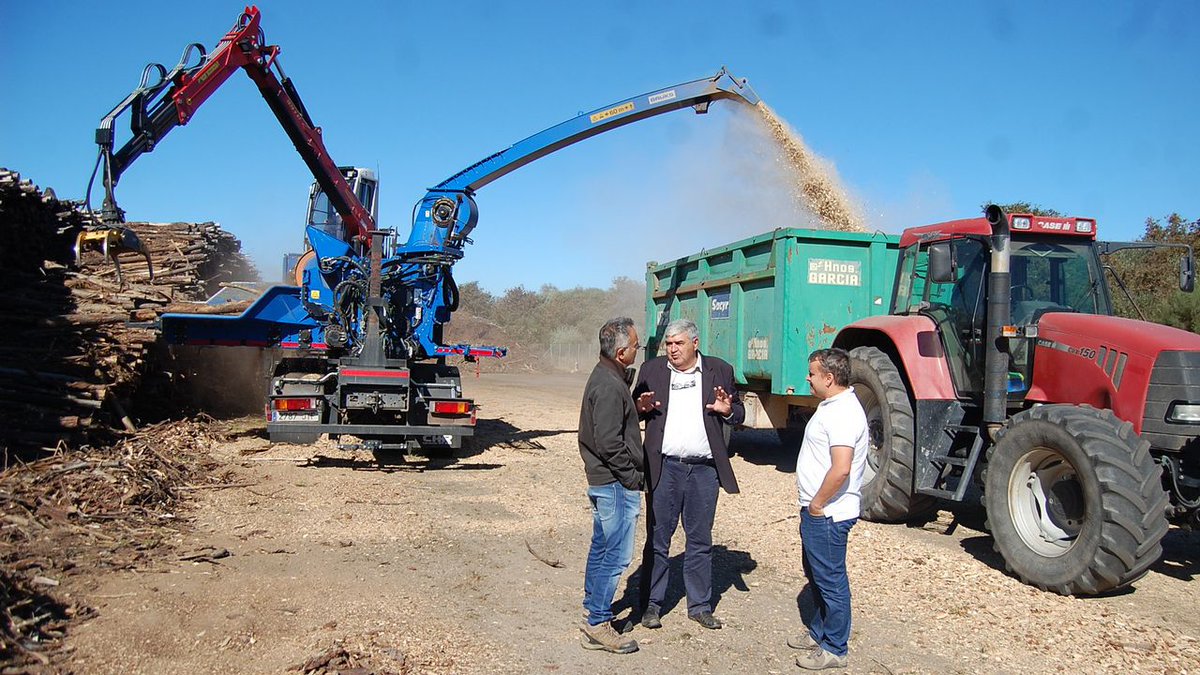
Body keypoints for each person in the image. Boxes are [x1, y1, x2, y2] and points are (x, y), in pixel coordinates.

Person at [633, 318, 743, 631]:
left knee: (700, 540)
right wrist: (640, 408)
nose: (672, 349)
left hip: (704, 471)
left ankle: (699, 606)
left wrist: (727, 410)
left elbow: (738, 412)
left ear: (695, 343)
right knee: (658, 539)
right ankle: (652, 605)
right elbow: (633, 409)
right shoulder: (652, 370)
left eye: (678, 343)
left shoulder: (719, 370)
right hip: (664, 468)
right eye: (668, 344)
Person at [788, 348, 869, 670]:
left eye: (812, 374)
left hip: (829, 514)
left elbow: (841, 468)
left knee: (831, 581)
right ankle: (819, 632)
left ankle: (835, 648)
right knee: (818, 576)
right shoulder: (832, 406)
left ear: (829, 378)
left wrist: (818, 503)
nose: (808, 378)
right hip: (819, 511)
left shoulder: (844, 413)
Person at [578, 317, 645, 654]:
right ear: (621, 352)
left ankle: (591, 609)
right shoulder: (608, 384)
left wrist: (634, 407)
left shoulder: (609, 377)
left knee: (603, 546)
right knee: (617, 555)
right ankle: (598, 622)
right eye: (635, 345)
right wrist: (631, 478)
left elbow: (612, 426)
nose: (638, 349)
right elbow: (608, 442)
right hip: (614, 483)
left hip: (605, 481)